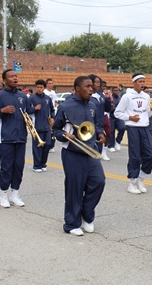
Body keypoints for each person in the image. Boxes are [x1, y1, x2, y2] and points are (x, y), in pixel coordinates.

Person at [53, 76, 106, 236]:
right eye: (87, 86)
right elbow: (56, 129)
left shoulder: (93, 104)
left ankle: (86, 214)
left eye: (92, 86)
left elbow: (97, 124)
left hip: (90, 150)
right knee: (74, 188)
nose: (91, 89)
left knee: (99, 181)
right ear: (76, 88)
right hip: (72, 153)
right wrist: (64, 135)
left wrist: (100, 133)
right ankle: (71, 223)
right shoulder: (65, 106)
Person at [0, 69, 32, 208]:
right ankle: (3, 195)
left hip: (20, 137)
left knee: (19, 166)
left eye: (16, 76)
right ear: (5, 80)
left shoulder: (23, 96)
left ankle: (15, 194)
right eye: (11, 76)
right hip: (5, 137)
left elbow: (28, 113)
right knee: (6, 167)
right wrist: (1, 111)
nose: (15, 78)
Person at [115, 73, 152, 194]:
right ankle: (132, 183)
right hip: (133, 128)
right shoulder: (127, 96)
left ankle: (141, 177)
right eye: (140, 82)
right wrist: (130, 117)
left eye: (144, 82)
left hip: (145, 127)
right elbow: (117, 113)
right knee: (135, 156)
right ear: (134, 83)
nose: (142, 84)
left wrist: (151, 109)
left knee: (151, 155)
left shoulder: (146, 96)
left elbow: (147, 114)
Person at [29, 79, 55, 173]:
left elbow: (52, 110)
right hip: (36, 126)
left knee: (48, 144)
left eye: (41, 87)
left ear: (44, 88)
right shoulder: (31, 98)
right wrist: (34, 109)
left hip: (46, 126)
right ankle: (36, 165)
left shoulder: (48, 98)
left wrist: (53, 117)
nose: (39, 89)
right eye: (38, 87)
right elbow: (27, 110)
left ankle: (43, 163)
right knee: (37, 147)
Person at [108, 87, 126, 152]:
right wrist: (113, 109)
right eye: (115, 90)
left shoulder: (119, 98)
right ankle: (111, 145)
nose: (116, 91)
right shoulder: (110, 98)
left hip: (119, 117)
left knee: (122, 128)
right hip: (112, 116)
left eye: (117, 90)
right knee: (111, 131)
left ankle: (118, 141)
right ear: (112, 91)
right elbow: (108, 108)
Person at [44, 78, 58, 153]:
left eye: (52, 83)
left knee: (53, 129)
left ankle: (52, 145)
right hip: (47, 112)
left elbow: (55, 102)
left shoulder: (53, 92)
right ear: (46, 84)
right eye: (49, 83)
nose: (51, 85)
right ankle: (46, 144)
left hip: (53, 112)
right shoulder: (45, 92)